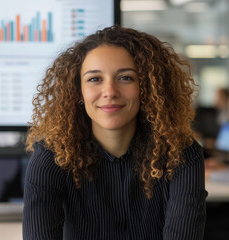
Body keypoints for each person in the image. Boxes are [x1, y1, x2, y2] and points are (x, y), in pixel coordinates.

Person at [23, 26, 207, 240]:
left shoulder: (182, 154)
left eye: (126, 78)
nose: (110, 91)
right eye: (95, 79)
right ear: (78, 91)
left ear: (146, 88)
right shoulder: (51, 157)